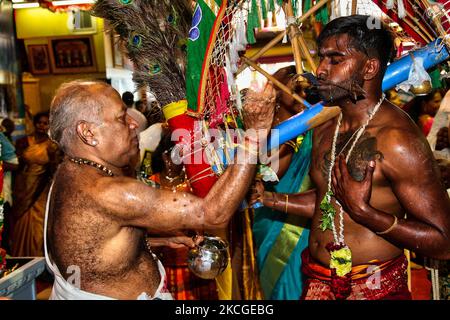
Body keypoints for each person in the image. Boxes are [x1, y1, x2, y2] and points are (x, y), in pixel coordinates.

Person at [250, 15, 450, 300]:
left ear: (369, 67)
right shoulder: (324, 125)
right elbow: (328, 199)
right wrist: (270, 199)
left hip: (374, 288)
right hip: (316, 281)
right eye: (322, 58)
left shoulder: (397, 140)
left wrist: (366, 213)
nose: (320, 70)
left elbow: (443, 242)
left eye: (335, 59)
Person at [45, 79, 275, 300]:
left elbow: (93, 254)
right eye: (121, 118)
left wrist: (159, 242)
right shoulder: (109, 191)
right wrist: (254, 136)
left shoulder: (67, 173)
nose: (134, 123)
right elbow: (213, 214)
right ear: (88, 133)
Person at [252, 65, 315, 300]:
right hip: (272, 222)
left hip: (303, 225)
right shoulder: (264, 134)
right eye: (297, 89)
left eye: (308, 89)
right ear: (276, 96)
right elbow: (272, 172)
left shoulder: (313, 131)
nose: (305, 95)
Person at [145, 132, 218, 300]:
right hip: (164, 266)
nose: (186, 158)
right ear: (166, 157)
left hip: (195, 266)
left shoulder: (194, 184)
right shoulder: (151, 185)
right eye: (181, 153)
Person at [11, 112, 60, 257]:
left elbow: (54, 168)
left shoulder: (52, 145)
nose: (42, 126)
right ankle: (21, 256)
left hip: (41, 189)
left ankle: (39, 259)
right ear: (34, 123)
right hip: (23, 187)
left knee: (39, 225)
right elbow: (17, 163)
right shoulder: (24, 141)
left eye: (45, 123)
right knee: (21, 221)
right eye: (39, 122)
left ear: (49, 126)